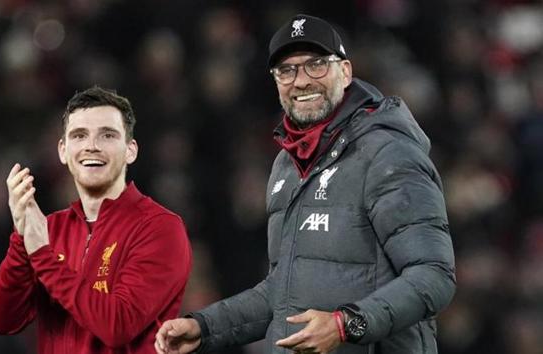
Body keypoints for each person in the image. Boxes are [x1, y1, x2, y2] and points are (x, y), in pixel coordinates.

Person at [155, 14, 455, 354]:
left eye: (316, 65)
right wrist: (205, 327)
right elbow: (282, 291)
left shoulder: (387, 153)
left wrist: (345, 325)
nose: (301, 81)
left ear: (345, 72)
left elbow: (433, 276)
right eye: (287, 70)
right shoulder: (287, 164)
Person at [0, 86, 192, 354]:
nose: (91, 146)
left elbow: (118, 325)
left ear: (130, 150)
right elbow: (4, 320)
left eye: (107, 135)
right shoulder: (49, 230)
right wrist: (21, 238)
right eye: (79, 135)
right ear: (63, 151)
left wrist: (41, 254)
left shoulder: (160, 227)